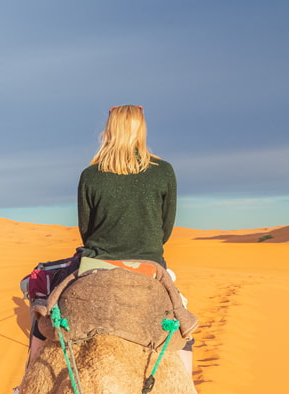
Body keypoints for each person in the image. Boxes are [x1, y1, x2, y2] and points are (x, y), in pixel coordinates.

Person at [26, 105, 193, 375]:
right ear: (142, 129)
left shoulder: (90, 175)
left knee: (44, 315)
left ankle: (29, 380)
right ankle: (187, 390)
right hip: (149, 266)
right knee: (182, 323)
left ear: (109, 130)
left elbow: (86, 230)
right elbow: (166, 229)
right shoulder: (163, 171)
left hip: (95, 264)